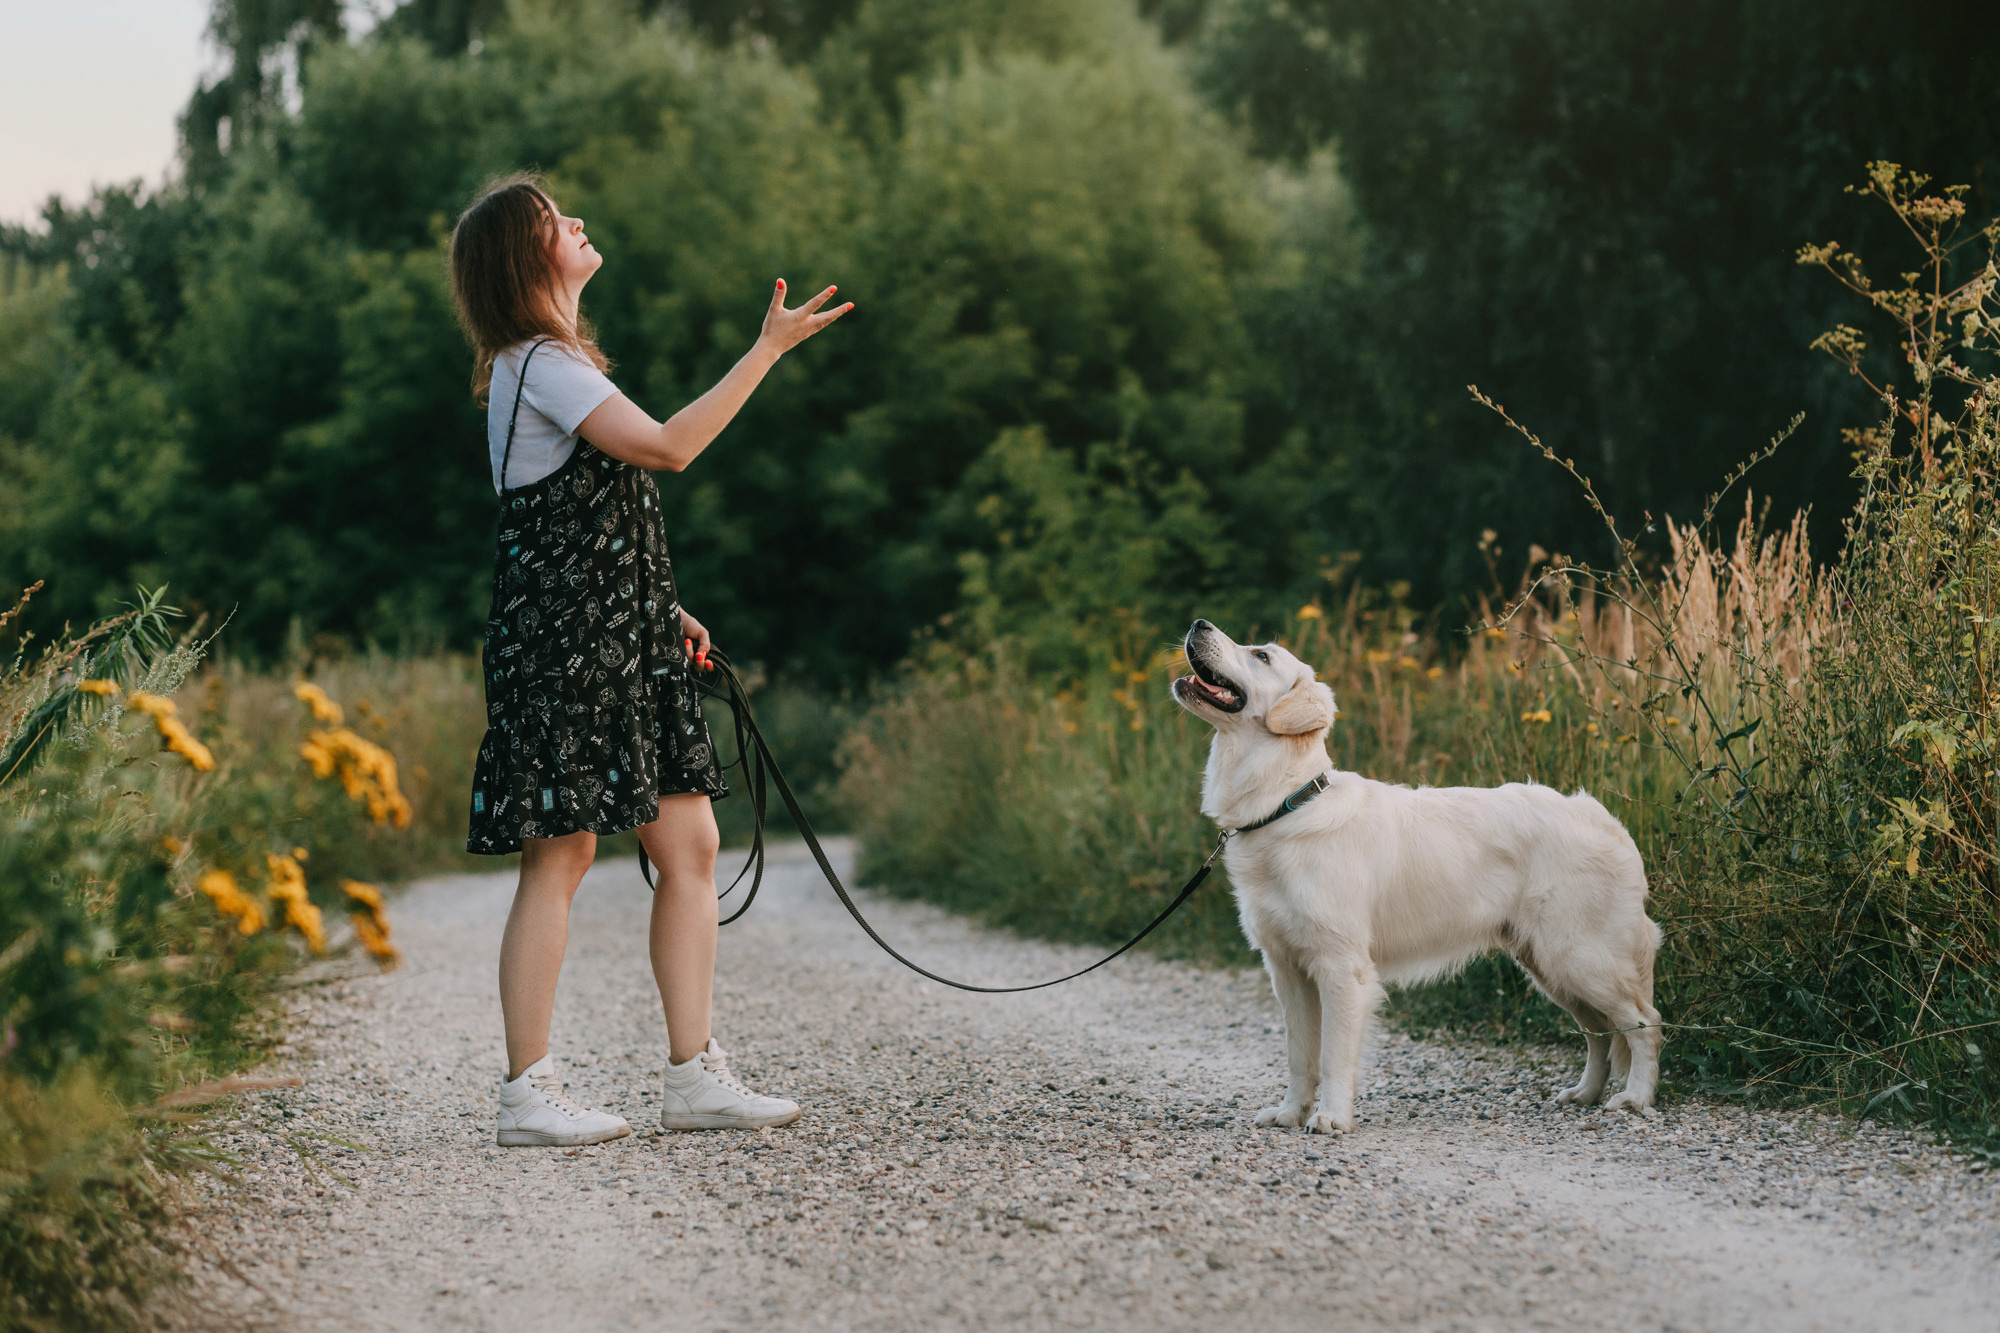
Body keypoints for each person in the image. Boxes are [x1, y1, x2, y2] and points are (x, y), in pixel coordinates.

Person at [447, 172, 851, 1146]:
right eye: (554, 222)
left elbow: (582, 516)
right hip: (563, 648)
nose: (578, 222)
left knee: (691, 846)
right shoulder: (534, 359)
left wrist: (660, 604)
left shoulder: (558, 362)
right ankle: (526, 1094)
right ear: (521, 257)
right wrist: (765, 349)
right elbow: (666, 449)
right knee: (564, 850)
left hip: (621, 638)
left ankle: (693, 1075)